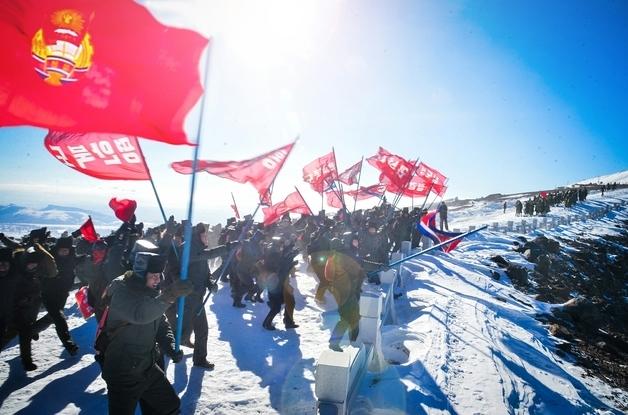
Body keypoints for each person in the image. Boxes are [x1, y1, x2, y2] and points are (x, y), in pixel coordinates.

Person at [101, 252, 193, 415]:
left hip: (147, 366)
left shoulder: (151, 292)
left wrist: (171, 346)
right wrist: (170, 295)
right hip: (123, 372)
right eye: (153, 276)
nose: (158, 280)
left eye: (159, 275)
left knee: (170, 405)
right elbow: (141, 315)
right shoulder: (121, 291)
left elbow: (161, 324)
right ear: (141, 275)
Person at [325, 238, 365, 351]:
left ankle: (353, 342)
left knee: (351, 317)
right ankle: (337, 342)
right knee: (348, 318)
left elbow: (328, 276)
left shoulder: (332, 258)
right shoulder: (346, 255)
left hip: (342, 292)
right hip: (349, 291)